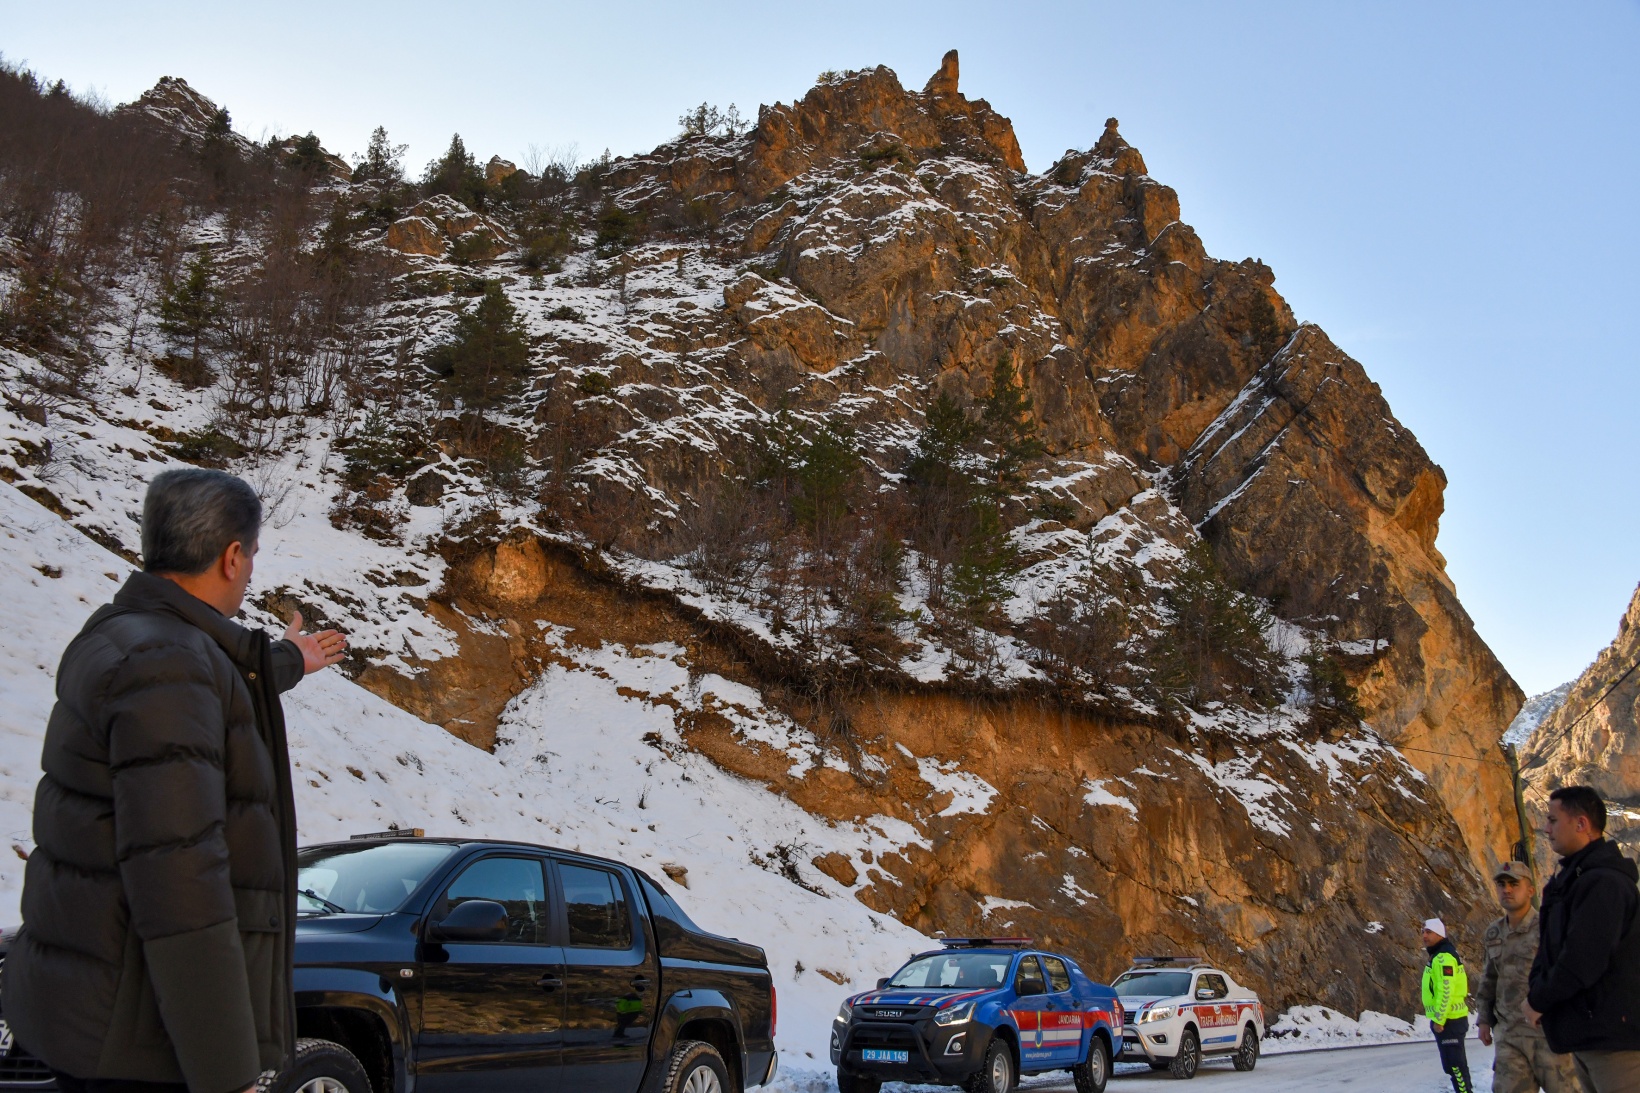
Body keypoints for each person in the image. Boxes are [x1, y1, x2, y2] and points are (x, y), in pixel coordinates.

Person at [1, 469, 347, 1093]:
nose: (250, 570)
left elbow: (209, 682)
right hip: (141, 1039)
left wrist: (289, 659)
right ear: (232, 556)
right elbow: (180, 877)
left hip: (92, 1011)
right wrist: (226, 1070)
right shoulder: (168, 666)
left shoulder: (125, 632)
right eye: (252, 555)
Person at [1526, 785, 1640, 1093]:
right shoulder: (1574, 881)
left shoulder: (1604, 883)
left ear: (1581, 824)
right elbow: (1551, 950)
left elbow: (1583, 959)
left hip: (1615, 1044)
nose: (1545, 828)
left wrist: (1539, 1000)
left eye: (1553, 820)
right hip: (1590, 1038)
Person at [1475, 861, 1582, 1093]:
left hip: (1548, 1035)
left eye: (1514, 884)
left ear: (1530, 890)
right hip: (1510, 1036)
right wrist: (1484, 1019)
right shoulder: (1493, 932)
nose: (1507, 890)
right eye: (1501, 884)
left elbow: (1566, 974)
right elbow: (1489, 978)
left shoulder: (1548, 928)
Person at [1423, 917, 1475, 1093]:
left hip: (1450, 1021)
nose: (1424, 936)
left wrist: (1439, 1019)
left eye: (1429, 932)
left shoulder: (1443, 957)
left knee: (1455, 1066)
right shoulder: (1439, 955)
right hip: (1449, 1019)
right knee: (1455, 1066)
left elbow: (1446, 990)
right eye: (1423, 932)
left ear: (1439, 934)